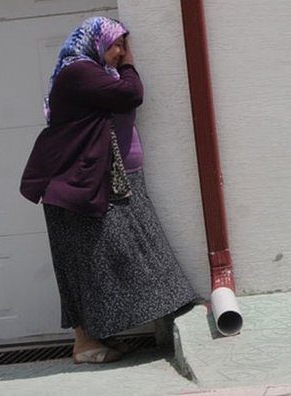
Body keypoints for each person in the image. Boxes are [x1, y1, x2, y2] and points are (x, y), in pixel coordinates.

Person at [20, 16, 198, 364]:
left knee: (122, 254)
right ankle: (86, 343)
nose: (120, 52)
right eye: (116, 44)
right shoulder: (79, 72)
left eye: (123, 46)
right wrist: (131, 66)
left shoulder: (96, 74)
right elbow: (131, 95)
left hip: (107, 181)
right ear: (95, 42)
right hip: (80, 186)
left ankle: (107, 333)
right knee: (92, 262)